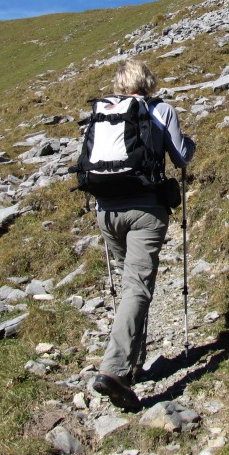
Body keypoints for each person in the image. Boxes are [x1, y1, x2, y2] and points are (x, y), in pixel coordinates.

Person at [91, 58, 195, 412]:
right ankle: (115, 370)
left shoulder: (103, 112)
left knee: (129, 285)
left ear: (119, 84)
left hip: (106, 212)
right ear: (148, 81)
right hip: (145, 212)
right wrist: (189, 144)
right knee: (137, 287)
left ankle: (133, 363)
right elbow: (181, 157)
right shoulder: (160, 110)